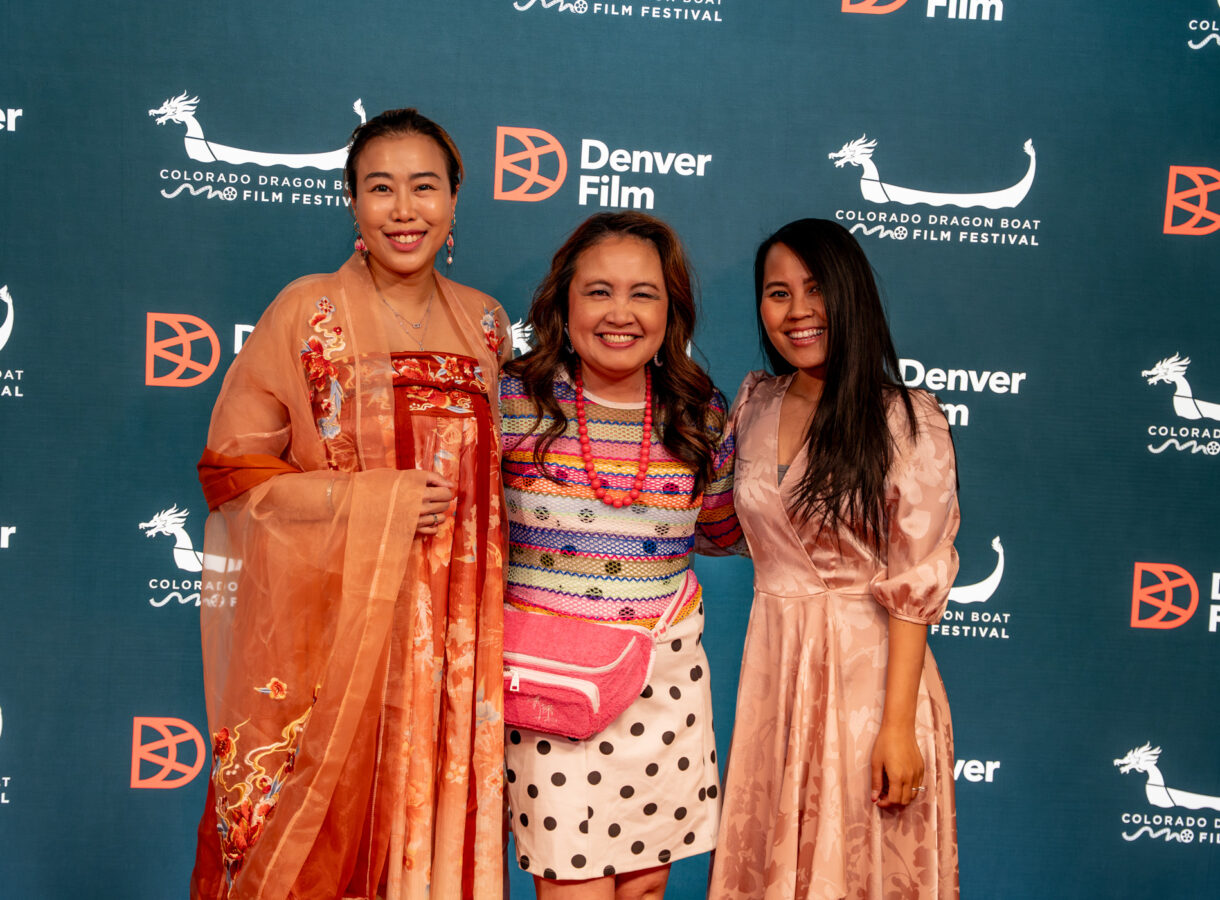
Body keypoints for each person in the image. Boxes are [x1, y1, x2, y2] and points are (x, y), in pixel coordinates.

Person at [189, 108, 511, 900]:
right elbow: (234, 474)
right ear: (352, 201)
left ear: (456, 198)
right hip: (337, 627)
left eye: (424, 187)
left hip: (460, 637)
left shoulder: (487, 322)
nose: (404, 210)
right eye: (380, 188)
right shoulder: (308, 312)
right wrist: (373, 500)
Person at [708, 219, 960, 899]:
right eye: (778, 293)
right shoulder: (754, 402)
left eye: (816, 289)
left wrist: (897, 727)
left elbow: (916, 578)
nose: (798, 311)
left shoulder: (905, 417)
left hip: (870, 685)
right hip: (774, 673)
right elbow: (714, 522)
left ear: (850, 295)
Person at [500, 212, 741, 899]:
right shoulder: (514, 399)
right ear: (563, 304)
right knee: (572, 884)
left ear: (671, 311)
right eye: (599, 291)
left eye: (644, 294)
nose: (620, 313)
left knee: (645, 887)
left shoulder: (700, 412)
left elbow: (722, 529)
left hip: (663, 681)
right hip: (552, 688)